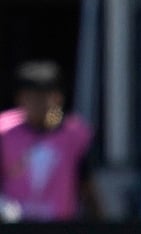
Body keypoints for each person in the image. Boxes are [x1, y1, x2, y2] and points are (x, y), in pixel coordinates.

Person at [0, 59, 101, 222]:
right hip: (13, 230)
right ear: (20, 98)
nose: (41, 103)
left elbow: (87, 185)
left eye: (47, 96)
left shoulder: (75, 133)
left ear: (58, 98)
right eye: (33, 97)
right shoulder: (4, 130)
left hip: (60, 231)